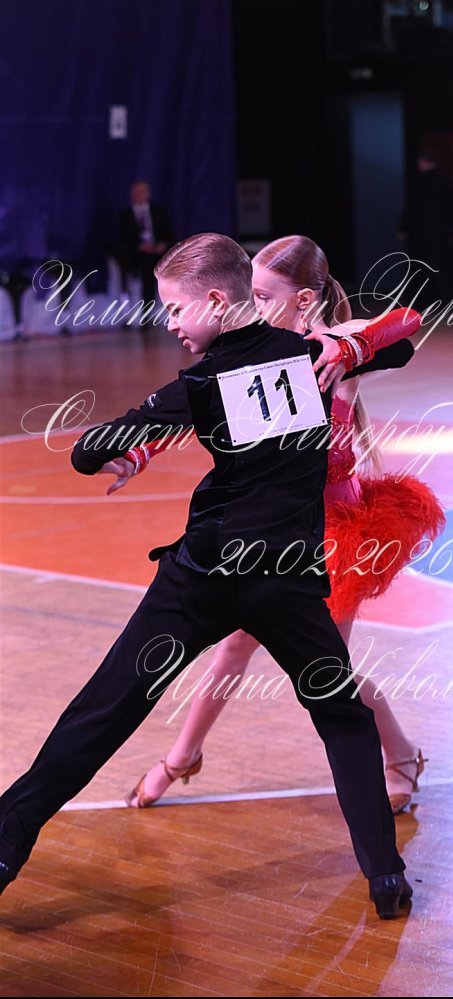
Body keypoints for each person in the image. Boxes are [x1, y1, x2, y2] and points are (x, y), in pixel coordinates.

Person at [0, 232, 413, 919]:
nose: (168, 323)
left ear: (218, 301)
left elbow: (85, 453)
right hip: (286, 578)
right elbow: (399, 341)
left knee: (105, 709)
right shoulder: (313, 357)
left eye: (175, 309)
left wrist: (128, 439)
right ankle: (387, 876)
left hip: (203, 579)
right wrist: (348, 348)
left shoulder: (201, 382)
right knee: (341, 716)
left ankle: (5, 847)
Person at [117, 235, 445, 816]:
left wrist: (350, 348)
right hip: (272, 528)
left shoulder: (334, 347)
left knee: (327, 671)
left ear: (305, 299)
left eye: (265, 296)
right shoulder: (256, 355)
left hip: (335, 533)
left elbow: (407, 323)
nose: (254, 305)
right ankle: (181, 757)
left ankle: (399, 753)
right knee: (233, 648)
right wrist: (139, 452)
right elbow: (197, 408)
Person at [398, 142, 453, 305]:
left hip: (422, 233)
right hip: (442, 232)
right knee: (441, 267)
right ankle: (446, 301)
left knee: (420, 268)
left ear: (423, 161)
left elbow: (413, 207)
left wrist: (403, 227)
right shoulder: (446, 181)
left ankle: (421, 301)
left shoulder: (419, 182)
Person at [112, 180, 175, 315]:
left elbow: (169, 235)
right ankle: (144, 313)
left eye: (143, 192)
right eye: (137, 192)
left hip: (157, 253)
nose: (140, 195)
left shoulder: (158, 212)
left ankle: (153, 309)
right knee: (146, 265)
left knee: (158, 264)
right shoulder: (125, 215)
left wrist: (162, 245)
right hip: (134, 254)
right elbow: (119, 238)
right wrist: (139, 246)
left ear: (148, 194)